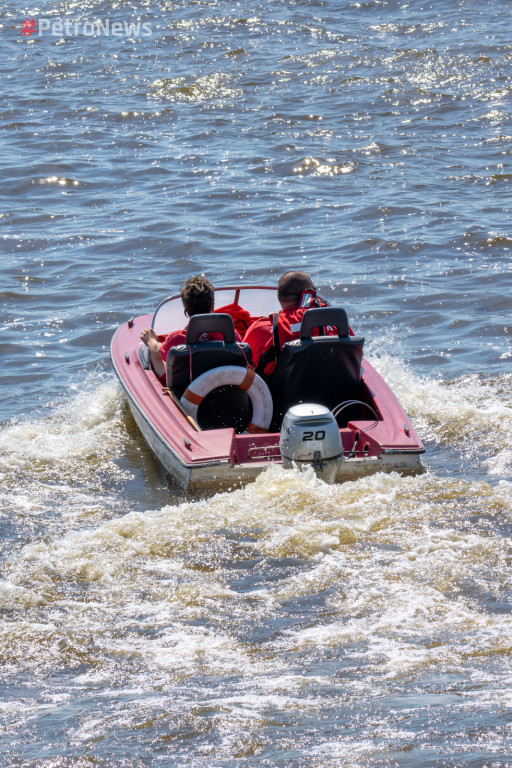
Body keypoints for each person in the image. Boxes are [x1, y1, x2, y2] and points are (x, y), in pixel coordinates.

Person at [140, 275, 241, 381]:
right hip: (225, 387)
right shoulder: (231, 335)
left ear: (186, 310)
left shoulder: (176, 338)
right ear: (212, 306)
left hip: (186, 393)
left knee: (153, 353)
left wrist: (151, 340)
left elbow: (156, 350)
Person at [243, 271, 338, 376]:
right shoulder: (334, 321)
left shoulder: (260, 328)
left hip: (282, 391)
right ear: (308, 296)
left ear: (279, 297)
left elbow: (244, 362)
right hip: (333, 387)